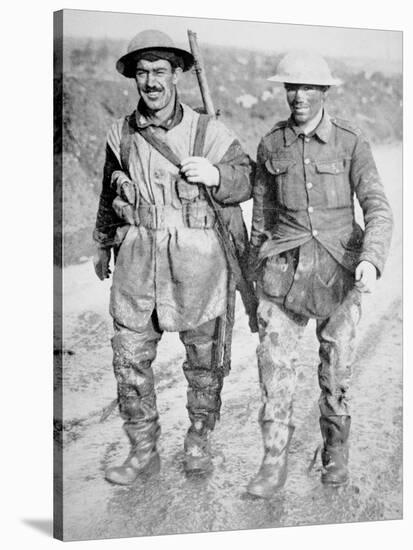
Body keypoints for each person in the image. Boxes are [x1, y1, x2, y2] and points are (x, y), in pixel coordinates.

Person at [92, 30, 251, 485]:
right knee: (128, 360)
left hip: (200, 264)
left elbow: (247, 180)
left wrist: (216, 172)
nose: (151, 81)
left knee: (205, 361)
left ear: (177, 74)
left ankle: (199, 438)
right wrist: (102, 243)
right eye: (142, 72)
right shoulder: (119, 133)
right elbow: (108, 192)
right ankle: (143, 449)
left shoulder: (208, 131)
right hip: (138, 261)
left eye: (160, 71)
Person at [247, 50, 393, 498]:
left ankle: (335, 453)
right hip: (283, 275)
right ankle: (273, 463)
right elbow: (260, 219)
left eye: (308, 88)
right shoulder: (272, 144)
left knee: (336, 372)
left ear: (324, 92)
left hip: (339, 272)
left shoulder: (351, 142)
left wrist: (371, 257)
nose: (299, 97)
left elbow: (378, 208)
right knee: (275, 371)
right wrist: (254, 284)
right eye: (292, 87)